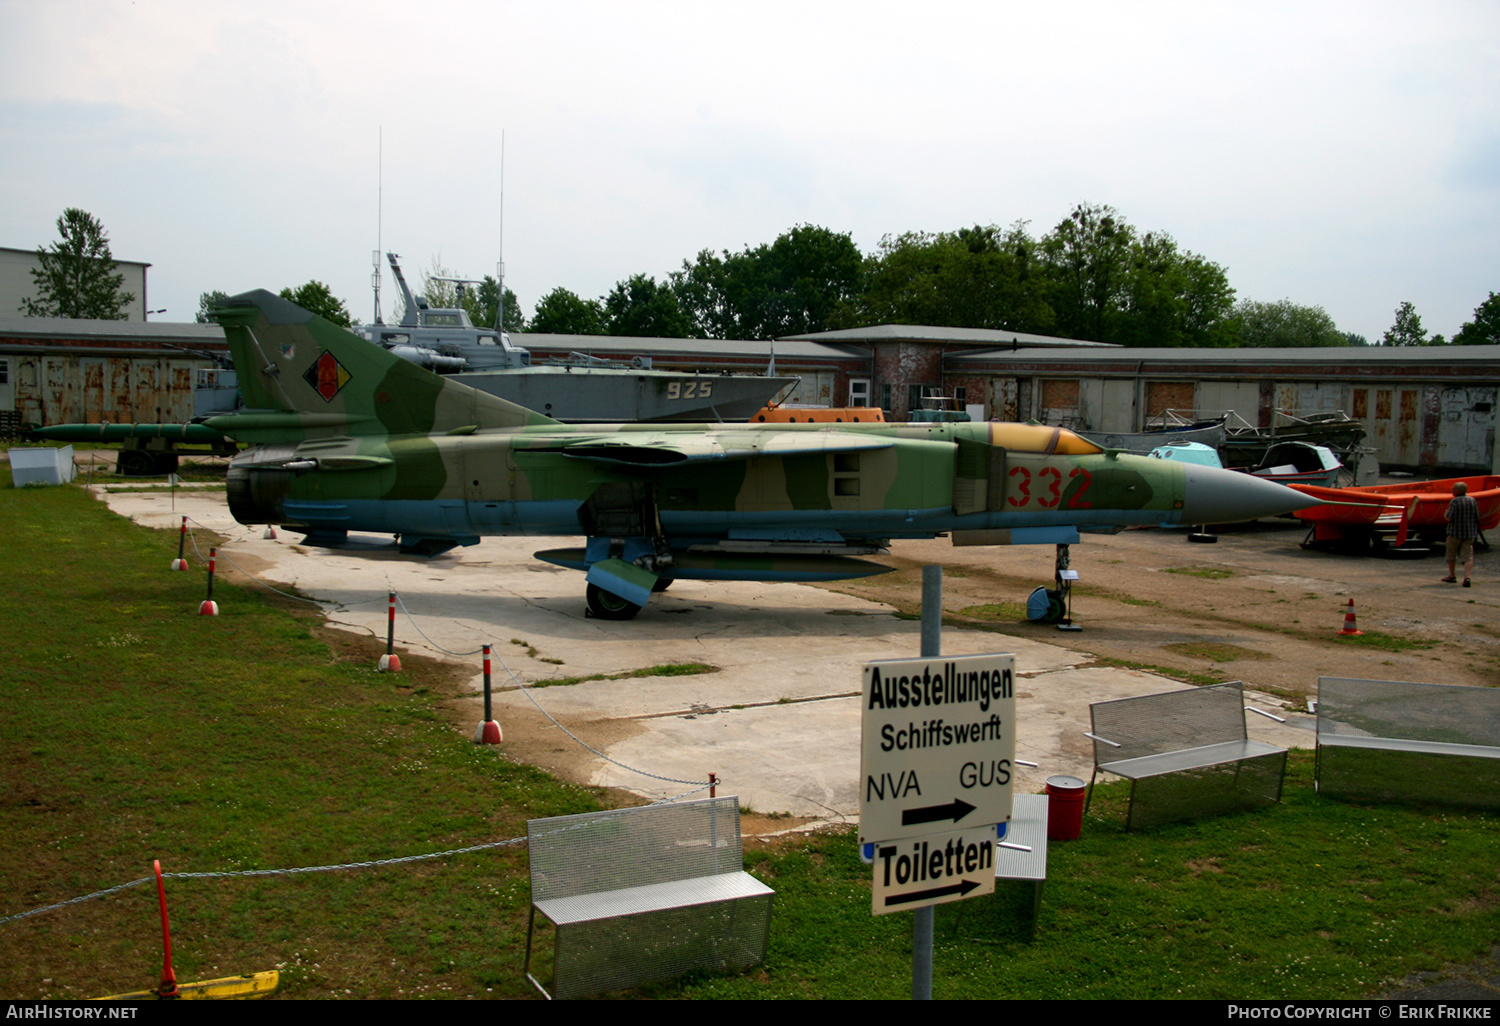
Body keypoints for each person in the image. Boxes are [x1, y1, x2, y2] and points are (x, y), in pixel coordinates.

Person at [1443, 481, 1480, 587]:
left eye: (1453, 488)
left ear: (1458, 490)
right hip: (1469, 533)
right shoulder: (1472, 500)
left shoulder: (1455, 501)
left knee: (1451, 555)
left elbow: (1449, 517)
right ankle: (1467, 577)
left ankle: (1452, 575)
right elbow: (1477, 516)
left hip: (1455, 533)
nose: (1452, 490)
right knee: (1467, 556)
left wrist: (1445, 513)